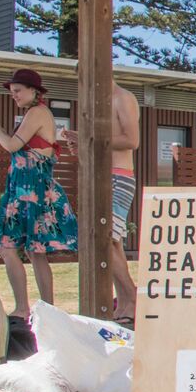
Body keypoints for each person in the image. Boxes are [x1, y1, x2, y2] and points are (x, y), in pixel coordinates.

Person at [0, 69, 77, 320]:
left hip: (29, 190)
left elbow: (12, 145)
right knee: (34, 251)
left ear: (34, 91)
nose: (13, 96)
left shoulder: (37, 113)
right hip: (27, 188)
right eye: (11, 92)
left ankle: (24, 307)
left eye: (17, 91)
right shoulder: (37, 113)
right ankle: (47, 310)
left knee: (8, 247)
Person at [58, 81, 142, 321]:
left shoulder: (122, 98)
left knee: (104, 239)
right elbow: (100, 142)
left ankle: (133, 297)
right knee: (111, 242)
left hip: (118, 176)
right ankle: (126, 301)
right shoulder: (99, 105)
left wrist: (90, 138)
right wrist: (82, 144)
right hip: (103, 175)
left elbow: (131, 140)